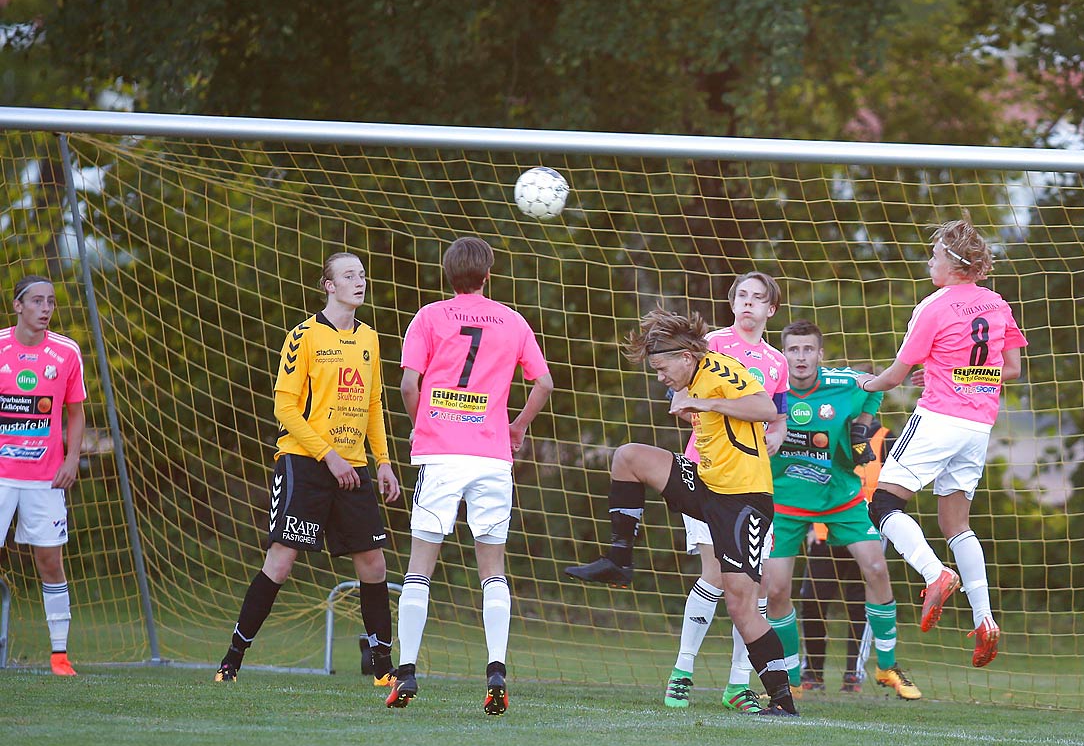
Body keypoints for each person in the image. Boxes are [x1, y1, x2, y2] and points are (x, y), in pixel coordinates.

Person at [561, 272, 788, 712]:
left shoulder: (725, 367)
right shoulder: (699, 365)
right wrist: (696, 410)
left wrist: (709, 406)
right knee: (628, 456)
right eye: (657, 371)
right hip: (705, 480)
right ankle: (618, 560)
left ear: (686, 357)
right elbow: (691, 405)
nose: (662, 377)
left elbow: (764, 409)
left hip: (742, 497)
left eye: (663, 369)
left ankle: (778, 697)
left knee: (742, 603)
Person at [215, 255, 401, 684]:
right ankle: (232, 660)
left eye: (362, 275)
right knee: (280, 561)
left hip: (354, 467)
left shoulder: (369, 338)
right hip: (306, 463)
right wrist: (328, 456)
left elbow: (373, 405)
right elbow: (285, 407)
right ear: (329, 285)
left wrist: (384, 461)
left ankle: (382, 668)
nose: (360, 281)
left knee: (373, 565)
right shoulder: (303, 336)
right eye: (349, 276)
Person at [387, 237, 554, 715]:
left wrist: (426, 425)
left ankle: (408, 673)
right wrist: (517, 426)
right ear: (488, 275)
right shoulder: (513, 320)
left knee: (420, 567)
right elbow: (543, 383)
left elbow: (406, 383)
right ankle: (496, 670)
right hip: (491, 457)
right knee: (493, 569)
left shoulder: (429, 316)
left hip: (441, 456)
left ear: (448, 275)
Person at [856, 218, 1026, 668]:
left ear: (953, 263)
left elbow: (892, 377)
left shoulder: (933, 306)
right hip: (977, 428)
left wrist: (862, 384)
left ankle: (935, 575)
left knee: (881, 504)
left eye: (934, 256)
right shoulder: (996, 304)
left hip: (938, 418)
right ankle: (985, 620)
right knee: (956, 524)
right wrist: (953, 372)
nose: (930, 262)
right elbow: (1010, 369)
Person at [772, 321, 919, 699]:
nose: (801, 357)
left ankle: (886, 667)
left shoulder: (842, 384)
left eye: (808, 350)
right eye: (794, 350)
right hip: (785, 503)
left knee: (876, 570)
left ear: (820, 354)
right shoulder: (768, 388)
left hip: (841, 498)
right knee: (776, 591)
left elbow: (877, 387)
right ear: (784, 353)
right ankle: (791, 676)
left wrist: (863, 427)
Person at [1, 277, 88, 675]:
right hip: (2, 476)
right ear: (18, 306)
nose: (45, 307)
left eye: (50, 301)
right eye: (37, 301)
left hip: (46, 479)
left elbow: (75, 411)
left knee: (50, 561)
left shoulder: (66, 352)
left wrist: (71, 459)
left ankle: (59, 655)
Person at [797, 524, 869, 692]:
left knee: (860, 605)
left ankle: (854, 673)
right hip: (825, 531)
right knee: (812, 601)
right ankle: (812, 673)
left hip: (864, 531)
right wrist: (810, 528)